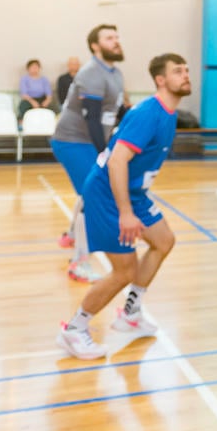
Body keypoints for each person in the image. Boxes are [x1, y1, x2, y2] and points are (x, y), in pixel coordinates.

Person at [55, 53, 192, 359]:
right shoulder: (148, 113)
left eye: (186, 70)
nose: (186, 75)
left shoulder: (169, 113)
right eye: (178, 71)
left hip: (134, 191)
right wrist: (126, 213)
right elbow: (117, 161)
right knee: (124, 271)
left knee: (163, 241)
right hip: (107, 194)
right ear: (160, 80)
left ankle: (131, 314)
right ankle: (74, 329)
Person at [51, 24, 126, 283]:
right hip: (73, 141)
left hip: (89, 141)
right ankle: (79, 263)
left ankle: (72, 235)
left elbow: (117, 112)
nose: (116, 41)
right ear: (95, 46)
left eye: (116, 37)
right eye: (109, 38)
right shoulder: (91, 73)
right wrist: (103, 154)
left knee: (88, 192)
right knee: (93, 195)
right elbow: (92, 118)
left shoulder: (115, 73)